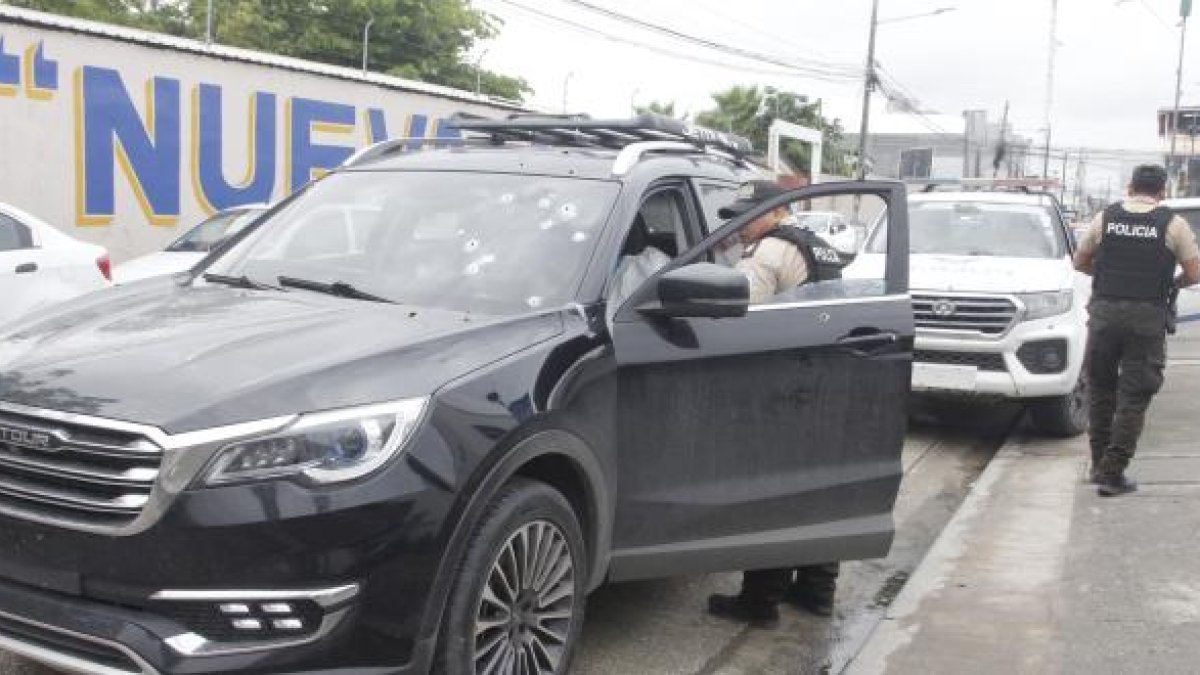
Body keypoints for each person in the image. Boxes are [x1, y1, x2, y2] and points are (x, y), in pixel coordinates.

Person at [705, 179, 844, 626]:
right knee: (817, 492)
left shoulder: (768, 252)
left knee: (773, 492)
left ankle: (759, 601)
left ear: (775, 212)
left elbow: (740, 311)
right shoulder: (817, 245)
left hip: (784, 383)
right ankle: (816, 592)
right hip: (825, 377)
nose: (739, 227)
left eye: (747, 216)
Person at [1074, 164, 1200, 497]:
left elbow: (1080, 262)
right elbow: (1194, 273)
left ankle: (1099, 465)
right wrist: (1171, 283)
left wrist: (1108, 279)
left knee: (1100, 389)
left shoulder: (1106, 218)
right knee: (1135, 395)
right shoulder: (1174, 224)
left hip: (1104, 313)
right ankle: (1113, 473)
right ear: (1163, 191)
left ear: (1130, 188)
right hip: (1146, 318)